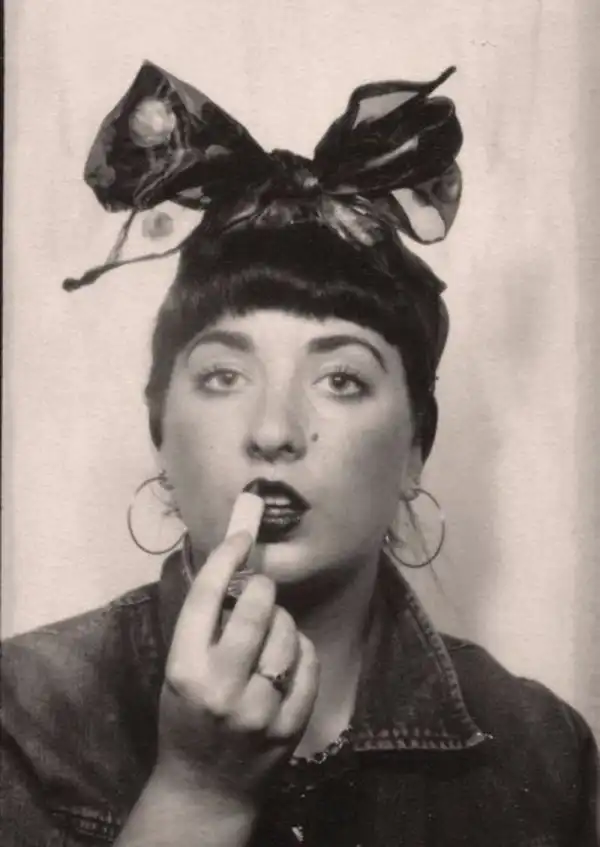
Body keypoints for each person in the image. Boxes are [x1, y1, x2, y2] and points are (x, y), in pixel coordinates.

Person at [1, 61, 598, 847]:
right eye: (223, 376)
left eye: (342, 379)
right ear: (161, 434)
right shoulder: (23, 714)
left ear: (415, 450)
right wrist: (198, 793)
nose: (275, 430)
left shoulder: (545, 749)